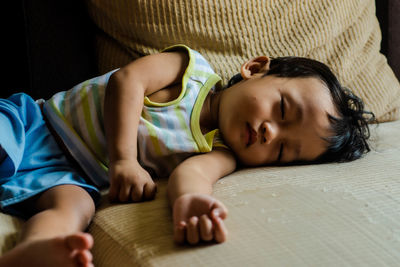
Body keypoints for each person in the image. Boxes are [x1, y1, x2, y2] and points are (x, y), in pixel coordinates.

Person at [0, 44, 373, 266]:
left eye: (283, 150)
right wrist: (124, 161)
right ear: (255, 69)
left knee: (75, 210)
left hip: (68, 177)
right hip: (35, 122)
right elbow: (126, 81)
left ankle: (36, 251)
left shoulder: (222, 151)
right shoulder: (190, 70)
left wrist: (192, 203)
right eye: (282, 109)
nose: (268, 132)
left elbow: (192, 176)